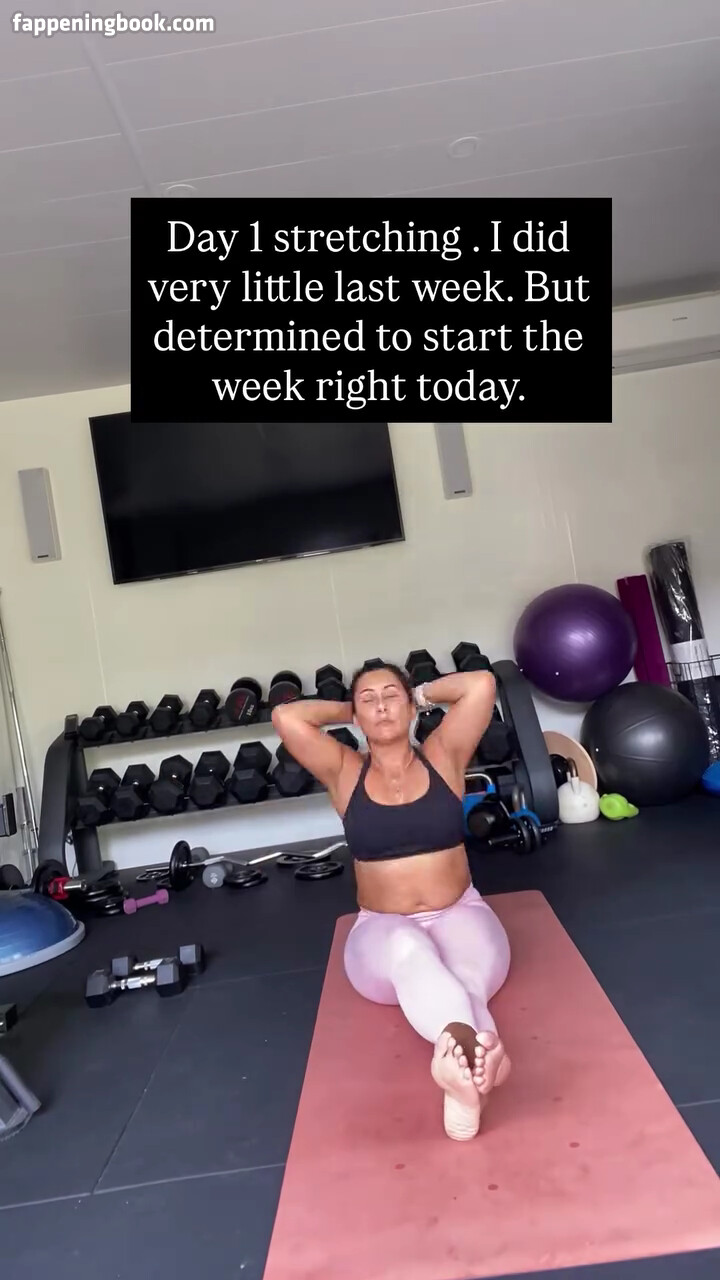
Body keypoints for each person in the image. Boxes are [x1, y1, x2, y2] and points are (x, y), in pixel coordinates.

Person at [271, 660, 511, 1141]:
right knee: (409, 948)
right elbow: (286, 717)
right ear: (356, 714)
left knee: (464, 978)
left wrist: (416, 695)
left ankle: (465, 1080)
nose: (381, 706)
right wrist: (353, 709)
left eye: (391, 696)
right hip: (381, 930)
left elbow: (481, 684)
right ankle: (480, 1058)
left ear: (412, 707)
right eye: (369, 699)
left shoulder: (443, 754)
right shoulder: (344, 770)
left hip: (460, 911)